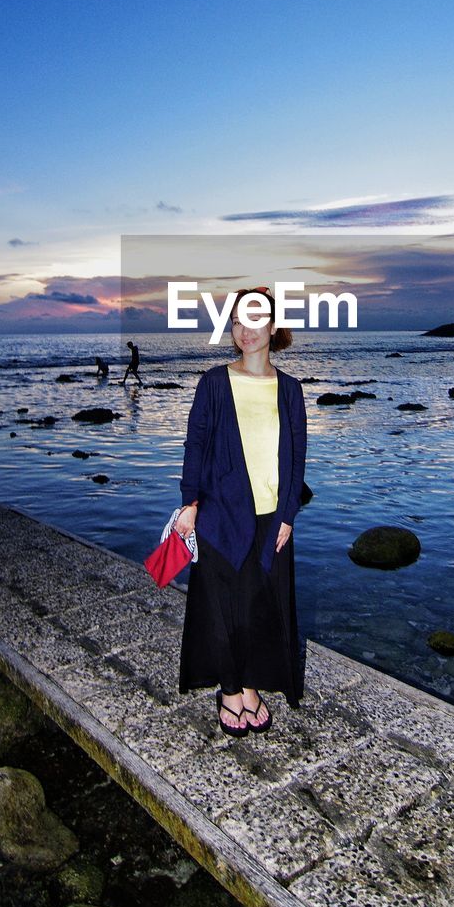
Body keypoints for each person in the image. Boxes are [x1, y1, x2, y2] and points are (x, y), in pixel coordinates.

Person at [175, 286, 307, 736]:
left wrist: (289, 514)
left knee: (258, 606)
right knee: (222, 605)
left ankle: (251, 683)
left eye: (255, 320)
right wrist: (189, 503)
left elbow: (297, 457)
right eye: (237, 321)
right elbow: (195, 445)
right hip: (220, 512)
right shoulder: (214, 382)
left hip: (271, 515)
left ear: (273, 327)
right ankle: (230, 689)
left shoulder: (290, 390)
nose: (245, 330)